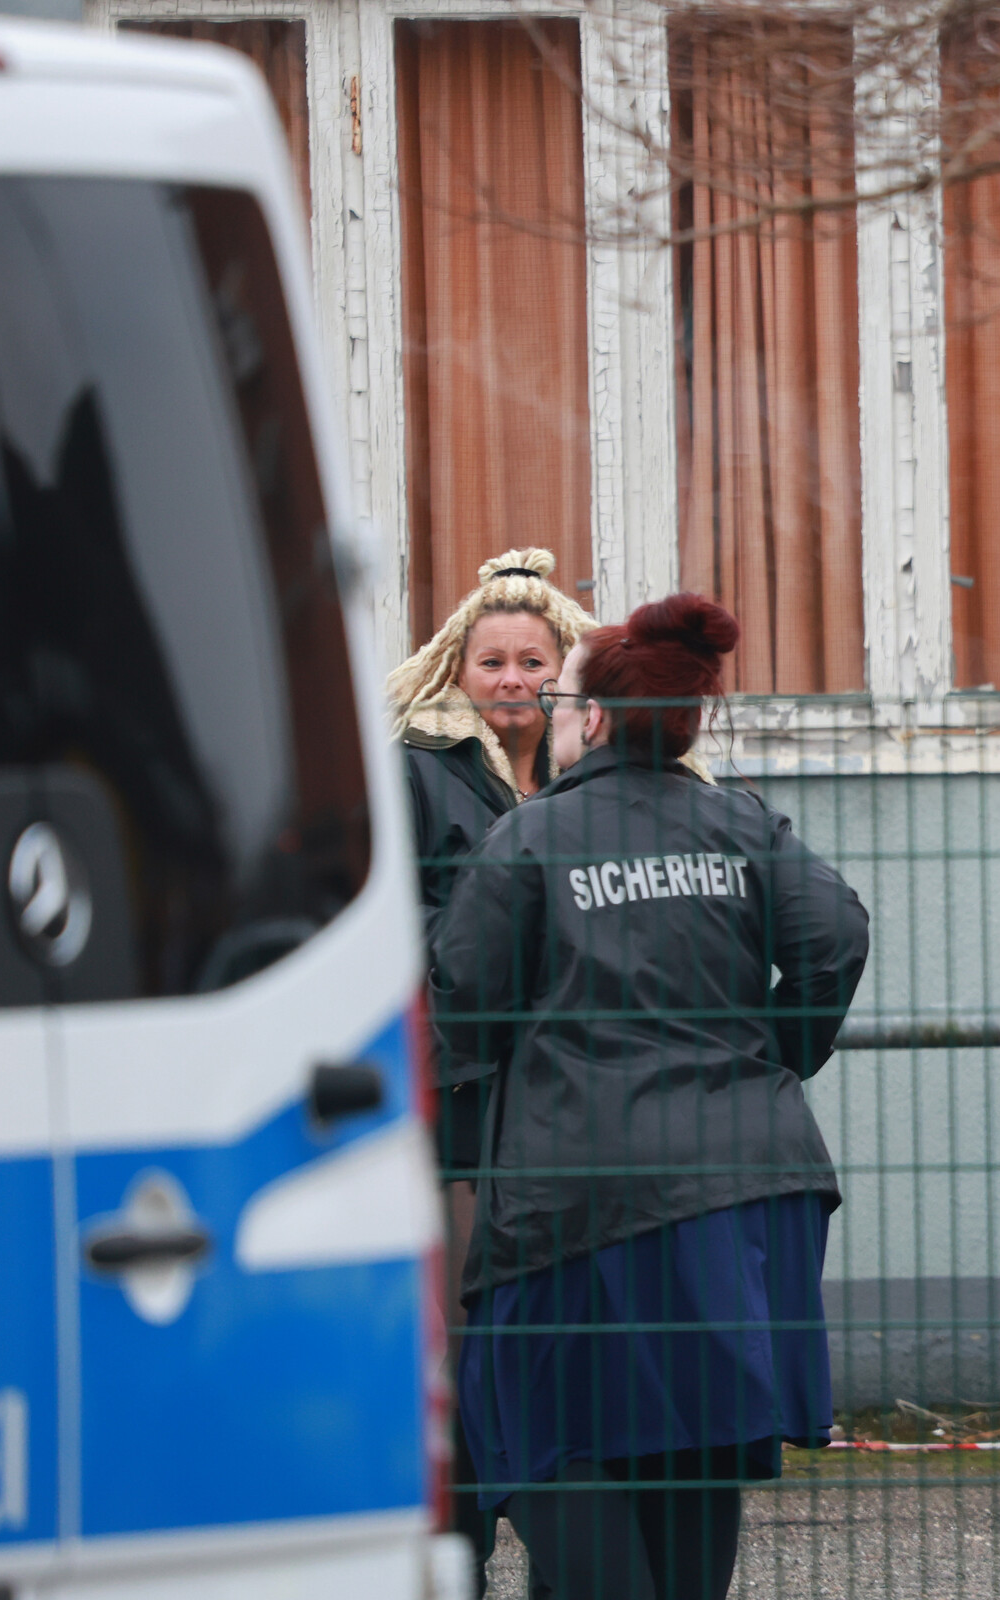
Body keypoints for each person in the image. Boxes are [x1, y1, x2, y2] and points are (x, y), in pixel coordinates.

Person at [434, 593, 870, 1599]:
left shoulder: (533, 837)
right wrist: (771, 1054)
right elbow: (836, 936)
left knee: (542, 1432)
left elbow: (464, 998)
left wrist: (529, 1059)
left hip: (578, 1198)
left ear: (591, 718)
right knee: (697, 1441)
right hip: (749, 1185)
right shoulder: (742, 825)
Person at [384, 545, 594, 1582]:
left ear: (565, 672)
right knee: (470, 1346)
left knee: (563, 1346)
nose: (513, 680)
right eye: (493, 662)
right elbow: (399, 923)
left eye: (533, 662)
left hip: (568, 1106)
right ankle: (460, 1551)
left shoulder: (591, 776)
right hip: (465, 1100)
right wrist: (513, 942)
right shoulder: (417, 773)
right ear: (455, 672)